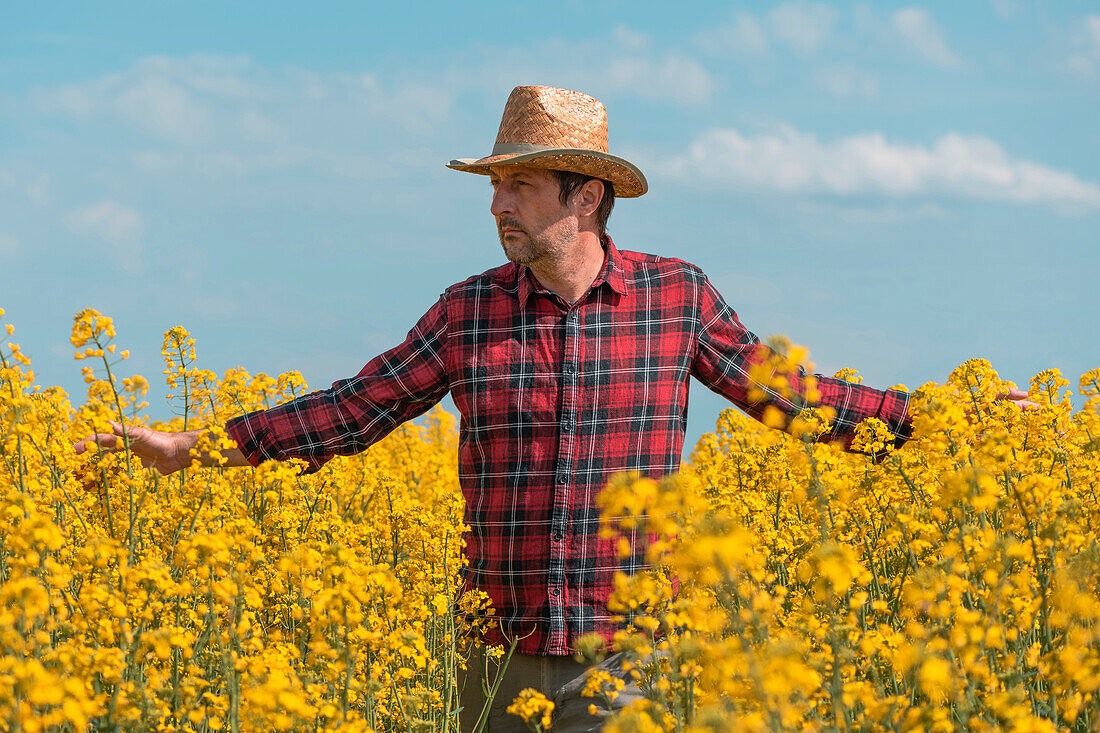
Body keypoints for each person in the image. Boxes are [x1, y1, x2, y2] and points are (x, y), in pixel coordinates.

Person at [74, 85, 1035, 732]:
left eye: (520, 184)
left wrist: (953, 418)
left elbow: (798, 400)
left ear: (586, 198)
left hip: (631, 655)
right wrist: (195, 447)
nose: (499, 202)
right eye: (495, 184)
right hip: (497, 657)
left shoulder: (678, 297)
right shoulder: (468, 309)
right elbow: (348, 412)